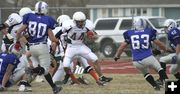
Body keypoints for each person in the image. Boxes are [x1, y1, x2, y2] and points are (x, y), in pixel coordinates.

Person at [15, 1, 62, 94]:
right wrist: (57, 41)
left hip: (31, 48)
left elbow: (19, 31)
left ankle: (54, 87)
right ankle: (31, 70)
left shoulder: (29, 16)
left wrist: (17, 42)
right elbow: (52, 38)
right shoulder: (48, 19)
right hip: (42, 46)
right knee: (45, 69)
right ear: (45, 9)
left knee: (42, 69)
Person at [114, 17, 169, 90]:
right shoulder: (148, 31)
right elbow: (159, 43)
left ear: (135, 24)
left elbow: (122, 47)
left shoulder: (130, 33)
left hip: (136, 61)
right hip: (148, 57)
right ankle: (170, 87)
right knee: (159, 69)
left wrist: (117, 56)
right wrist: (165, 49)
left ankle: (155, 86)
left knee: (146, 73)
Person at [59, 11, 113, 85]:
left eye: (82, 21)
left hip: (81, 46)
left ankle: (101, 77)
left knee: (95, 58)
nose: (81, 23)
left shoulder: (87, 25)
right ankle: (73, 79)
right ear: (74, 21)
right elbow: (59, 35)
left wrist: (92, 36)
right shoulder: (68, 26)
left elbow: (95, 36)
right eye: (79, 22)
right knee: (66, 65)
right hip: (71, 47)